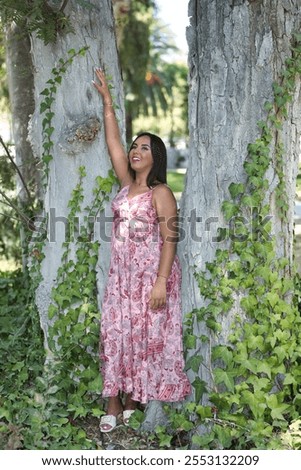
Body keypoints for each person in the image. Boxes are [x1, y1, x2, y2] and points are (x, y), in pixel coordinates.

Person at [92, 68, 191, 433]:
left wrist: (162, 281)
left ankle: (135, 398)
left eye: (143, 147)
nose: (134, 151)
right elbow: (113, 145)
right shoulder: (124, 185)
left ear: (156, 156)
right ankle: (113, 400)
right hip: (122, 277)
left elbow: (170, 237)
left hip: (151, 277)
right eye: (135, 146)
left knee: (144, 337)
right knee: (117, 333)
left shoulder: (160, 192)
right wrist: (107, 104)